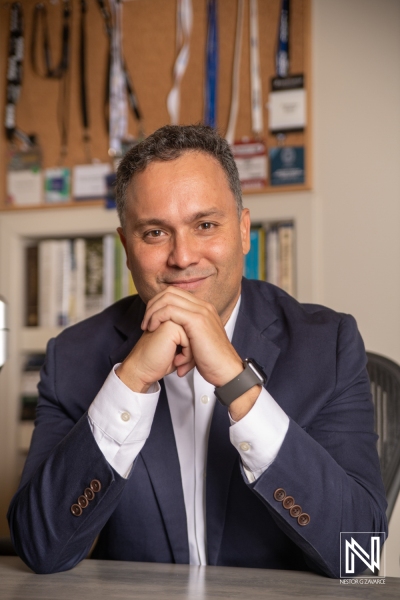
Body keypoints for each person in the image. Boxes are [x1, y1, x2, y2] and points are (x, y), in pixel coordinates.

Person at [8, 125, 387, 577]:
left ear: (244, 231)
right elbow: (39, 548)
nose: (183, 256)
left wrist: (238, 382)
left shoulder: (328, 345)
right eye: (154, 233)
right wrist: (129, 384)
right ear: (127, 248)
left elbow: (360, 556)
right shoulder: (73, 356)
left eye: (205, 225)